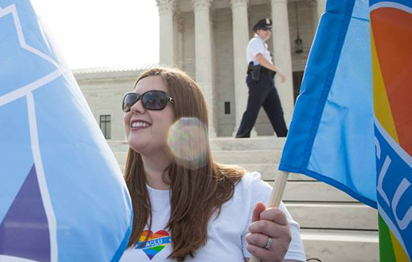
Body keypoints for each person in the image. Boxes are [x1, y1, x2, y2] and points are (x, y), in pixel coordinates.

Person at [119, 67, 305, 262]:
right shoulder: (112, 203)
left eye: (153, 100)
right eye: (130, 101)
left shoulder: (248, 194)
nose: (135, 108)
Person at [236, 18, 288, 138]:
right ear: (258, 30)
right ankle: (242, 135)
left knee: (276, 110)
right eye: (265, 29)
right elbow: (259, 58)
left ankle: (283, 135)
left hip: (267, 79)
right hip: (259, 78)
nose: (268, 32)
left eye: (269, 29)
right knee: (253, 108)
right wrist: (277, 70)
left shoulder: (263, 45)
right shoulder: (255, 42)